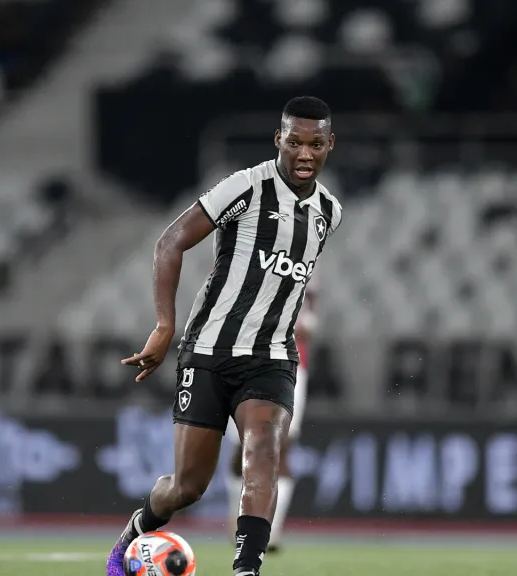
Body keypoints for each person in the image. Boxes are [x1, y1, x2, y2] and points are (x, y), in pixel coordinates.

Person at [106, 96, 342, 576]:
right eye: (294, 141)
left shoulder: (329, 213)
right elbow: (171, 241)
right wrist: (164, 327)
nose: (303, 153)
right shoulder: (246, 187)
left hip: (272, 358)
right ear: (278, 139)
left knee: (262, 453)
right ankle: (136, 532)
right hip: (209, 353)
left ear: (329, 145)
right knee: (187, 487)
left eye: (315, 144)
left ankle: (246, 569)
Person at [225, 274, 318, 554]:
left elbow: (309, 323)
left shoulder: (307, 257)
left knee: (283, 446)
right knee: (243, 445)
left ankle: (271, 530)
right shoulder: (249, 252)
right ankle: (237, 518)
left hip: (291, 365)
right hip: (246, 358)